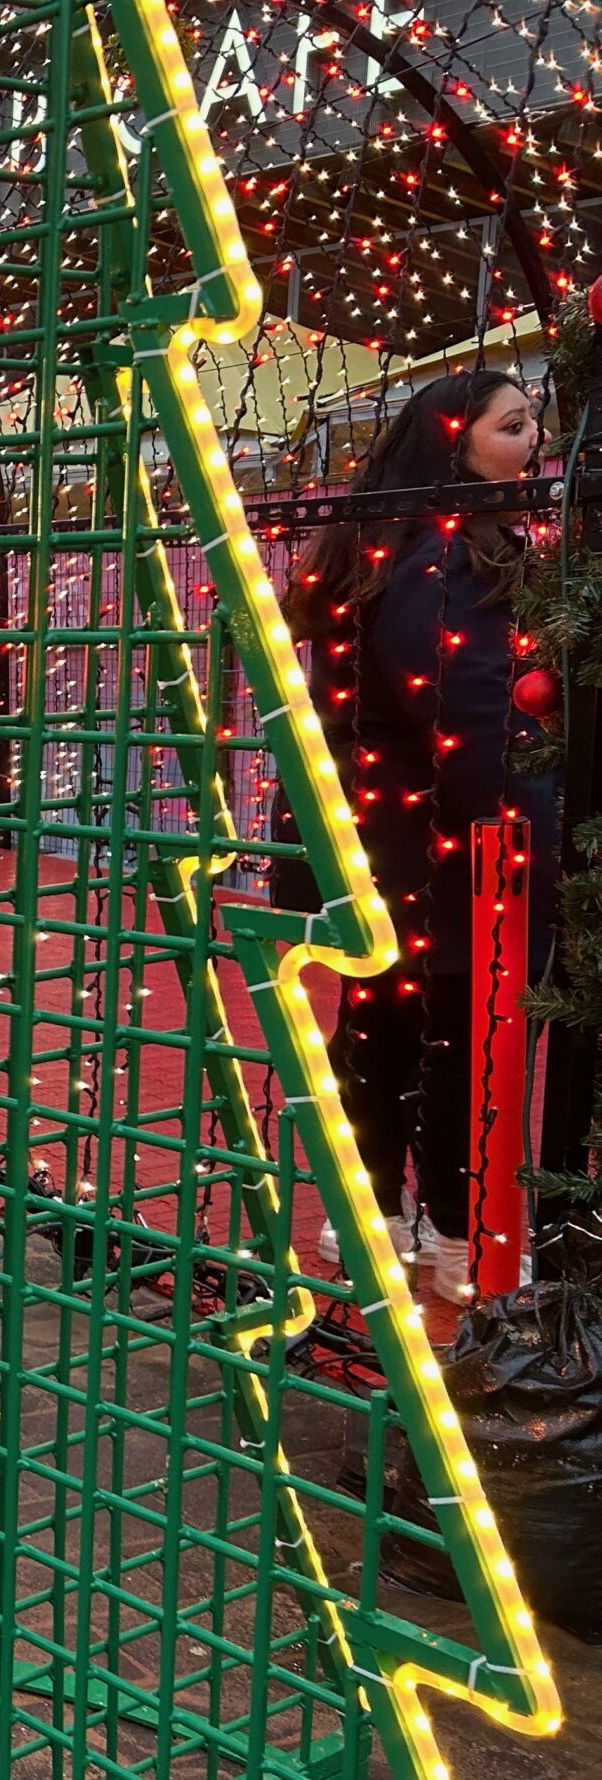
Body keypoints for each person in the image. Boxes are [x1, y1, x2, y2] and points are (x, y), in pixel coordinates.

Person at [281, 369, 555, 1303]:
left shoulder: (390, 546)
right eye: (514, 426)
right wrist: (542, 817)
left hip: (381, 837)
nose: (535, 445)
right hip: (445, 847)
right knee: (458, 1033)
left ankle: (373, 1216)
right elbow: (472, 723)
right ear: (457, 441)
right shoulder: (445, 563)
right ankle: (449, 1229)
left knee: (390, 1023)